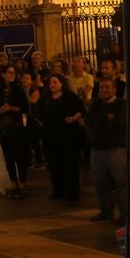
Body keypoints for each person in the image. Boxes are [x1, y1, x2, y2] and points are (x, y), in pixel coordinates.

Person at [85, 77, 128, 223]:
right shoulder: (97, 104)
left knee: (121, 182)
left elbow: (117, 124)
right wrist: (105, 118)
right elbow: (88, 120)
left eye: (107, 87)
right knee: (100, 182)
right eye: (101, 87)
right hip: (97, 149)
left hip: (115, 149)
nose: (104, 90)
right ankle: (105, 211)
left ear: (114, 89)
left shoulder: (121, 104)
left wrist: (99, 122)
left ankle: (125, 212)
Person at [40, 73, 85, 201]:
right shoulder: (46, 97)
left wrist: (74, 118)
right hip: (50, 135)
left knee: (69, 164)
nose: (52, 85)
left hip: (67, 135)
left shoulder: (69, 97)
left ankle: (73, 192)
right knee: (54, 164)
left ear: (61, 83)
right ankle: (58, 190)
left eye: (55, 82)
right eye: (50, 83)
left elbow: (81, 110)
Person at [0, 65, 30, 199]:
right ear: (3, 74)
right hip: (3, 127)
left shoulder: (18, 90)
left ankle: (23, 184)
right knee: (8, 156)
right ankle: (14, 185)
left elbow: (25, 108)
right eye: (9, 72)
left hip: (16, 126)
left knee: (20, 156)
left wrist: (10, 108)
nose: (12, 75)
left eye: (14, 73)